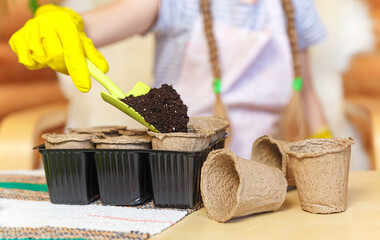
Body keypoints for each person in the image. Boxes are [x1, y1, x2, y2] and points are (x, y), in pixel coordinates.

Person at [8, 0, 331, 159]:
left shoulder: (294, 6)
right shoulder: (181, 4)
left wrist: (325, 148)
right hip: (184, 171)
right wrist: (65, 25)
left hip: (271, 172)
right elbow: (99, 25)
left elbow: (305, 92)